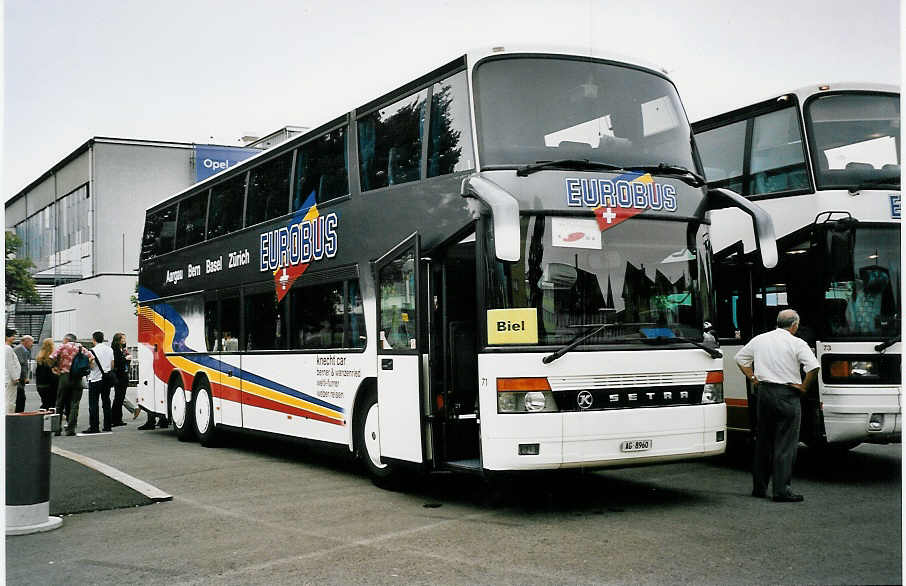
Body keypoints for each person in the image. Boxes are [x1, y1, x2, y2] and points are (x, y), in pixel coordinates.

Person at [735, 309, 819, 503]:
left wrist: (752, 377)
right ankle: (781, 490)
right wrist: (803, 388)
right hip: (787, 394)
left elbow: (740, 359)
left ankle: (759, 487)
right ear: (794, 325)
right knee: (785, 443)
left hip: (764, 393)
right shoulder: (797, 342)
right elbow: (813, 368)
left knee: (763, 441)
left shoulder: (760, 339)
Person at [50, 333, 94, 436]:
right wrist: (86, 368)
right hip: (77, 378)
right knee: (75, 404)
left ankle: (57, 429)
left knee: (59, 403)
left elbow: (52, 357)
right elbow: (91, 358)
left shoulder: (63, 346)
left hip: (64, 376)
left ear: (66, 339)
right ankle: (71, 429)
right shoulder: (80, 348)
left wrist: (55, 367)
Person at [84, 331, 115, 434]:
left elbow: (92, 366)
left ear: (94, 339)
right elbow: (112, 365)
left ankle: (94, 426)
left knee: (93, 404)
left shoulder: (92, 351)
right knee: (106, 402)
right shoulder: (110, 350)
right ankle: (107, 425)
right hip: (106, 379)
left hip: (95, 379)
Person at [110, 332, 140, 426]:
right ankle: (115, 419)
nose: (124, 340)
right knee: (118, 398)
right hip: (119, 376)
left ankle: (117, 419)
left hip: (124, 375)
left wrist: (127, 358)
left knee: (120, 398)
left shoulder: (122, 349)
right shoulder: (115, 350)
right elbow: (118, 362)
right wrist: (126, 358)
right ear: (118, 340)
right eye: (123, 338)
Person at [34, 338, 59, 410]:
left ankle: (43, 416)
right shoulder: (53, 357)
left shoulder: (39, 357)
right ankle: (52, 419)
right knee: (52, 403)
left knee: (45, 403)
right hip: (51, 384)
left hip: (40, 384)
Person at [13, 334, 34, 412]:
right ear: (26, 342)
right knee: (20, 398)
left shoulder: (24, 350)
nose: (32, 344)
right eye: (31, 342)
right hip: (18, 379)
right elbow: (20, 365)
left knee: (20, 398)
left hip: (20, 378)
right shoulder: (19, 349)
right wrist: (23, 377)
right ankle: (18, 415)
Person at [5, 328, 21, 414]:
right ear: (7, 337)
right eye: (12, 336)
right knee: (9, 401)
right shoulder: (7, 348)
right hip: (10, 379)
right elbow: (10, 364)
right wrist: (15, 378)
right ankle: (8, 418)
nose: (14, 337)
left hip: (7, 378)